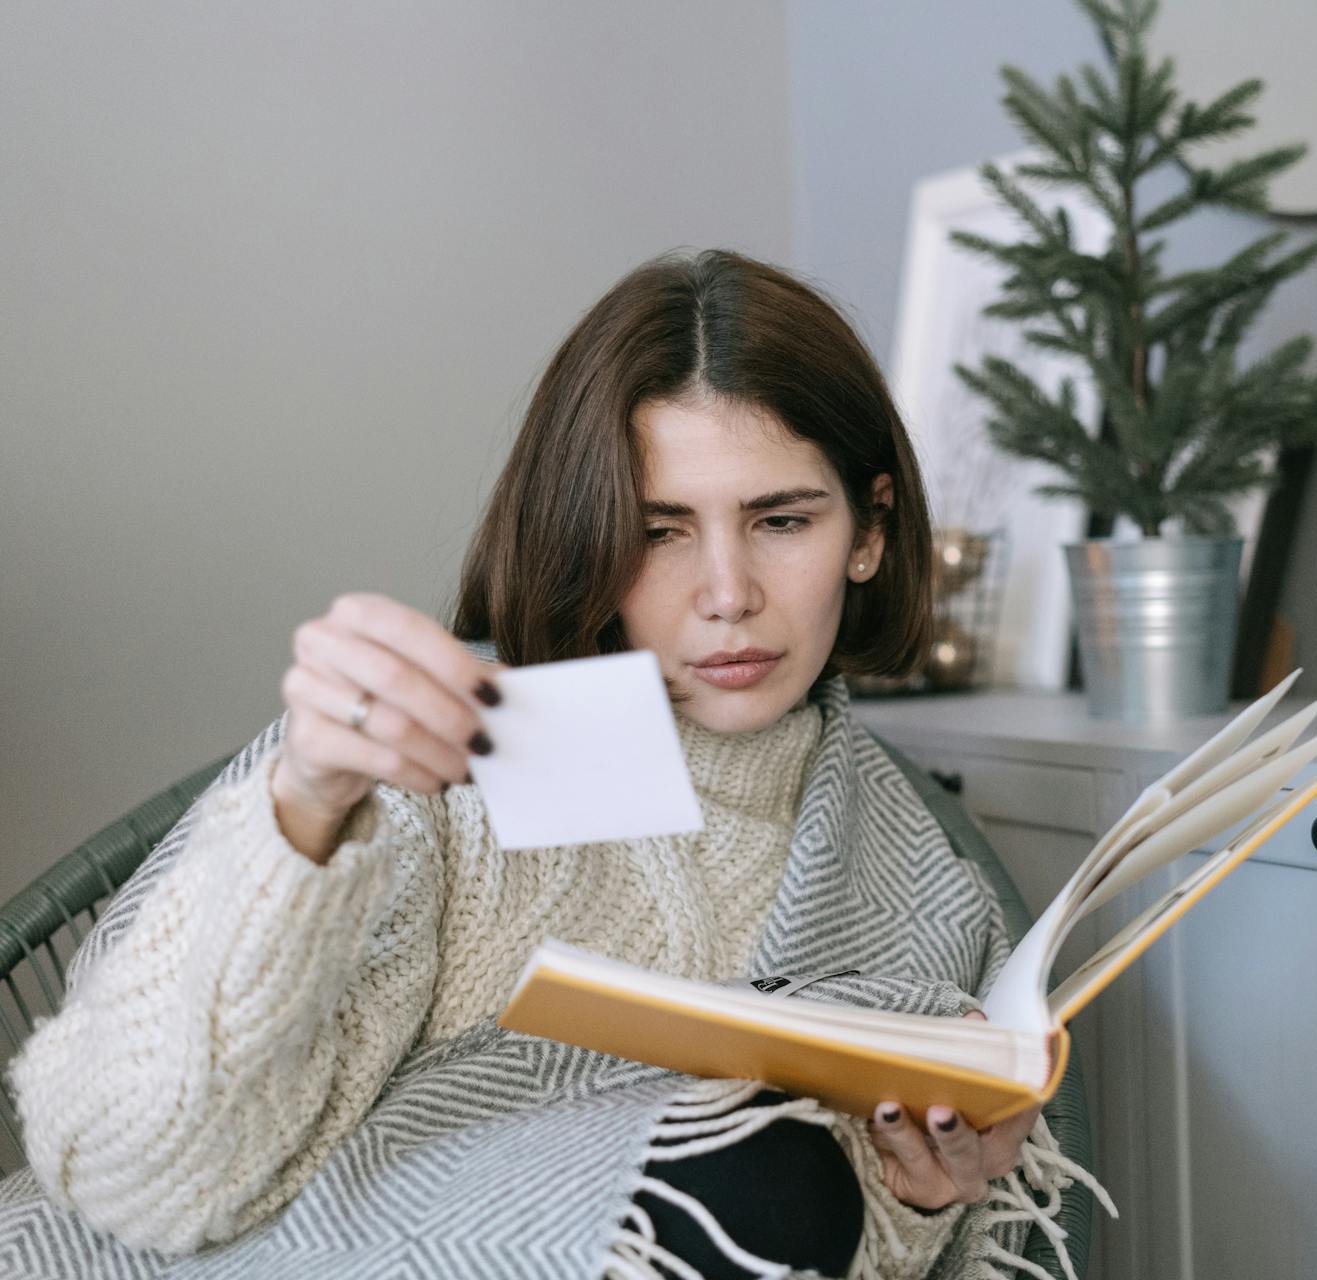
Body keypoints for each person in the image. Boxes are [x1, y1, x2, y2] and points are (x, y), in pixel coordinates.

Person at [1, 249, 1097, 1279]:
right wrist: (302, 809)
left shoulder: (926, 894)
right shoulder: (450, 769)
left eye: (780, 518)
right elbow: (129, 1170)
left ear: (868, 529)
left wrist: (906, 1207)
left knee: (777, 1175)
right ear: (590, 536)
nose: (727, 592)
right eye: (660, 530)